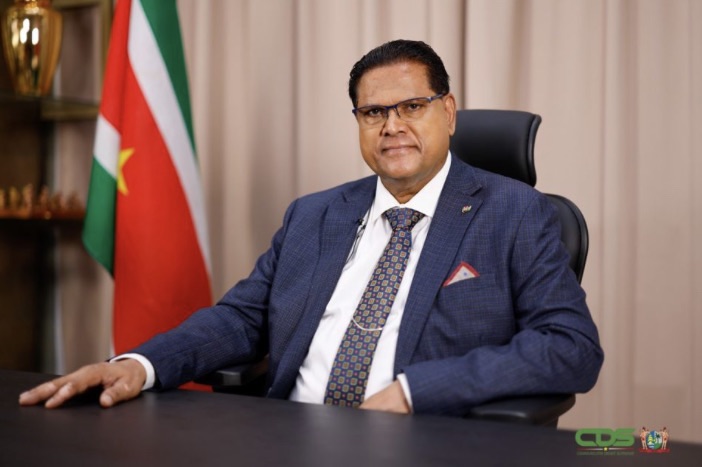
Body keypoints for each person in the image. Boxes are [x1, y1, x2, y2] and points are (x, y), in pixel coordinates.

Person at [19, 39, 603, 416]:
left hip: (421, 442)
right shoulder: (315, 214)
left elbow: (570, 346)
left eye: (412, 106)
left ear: (448, 112)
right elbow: (240, 319)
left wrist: (415, 392)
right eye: (374, 112)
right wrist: (136, 365)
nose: (392, 126)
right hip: (289, 437)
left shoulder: (515, 212)